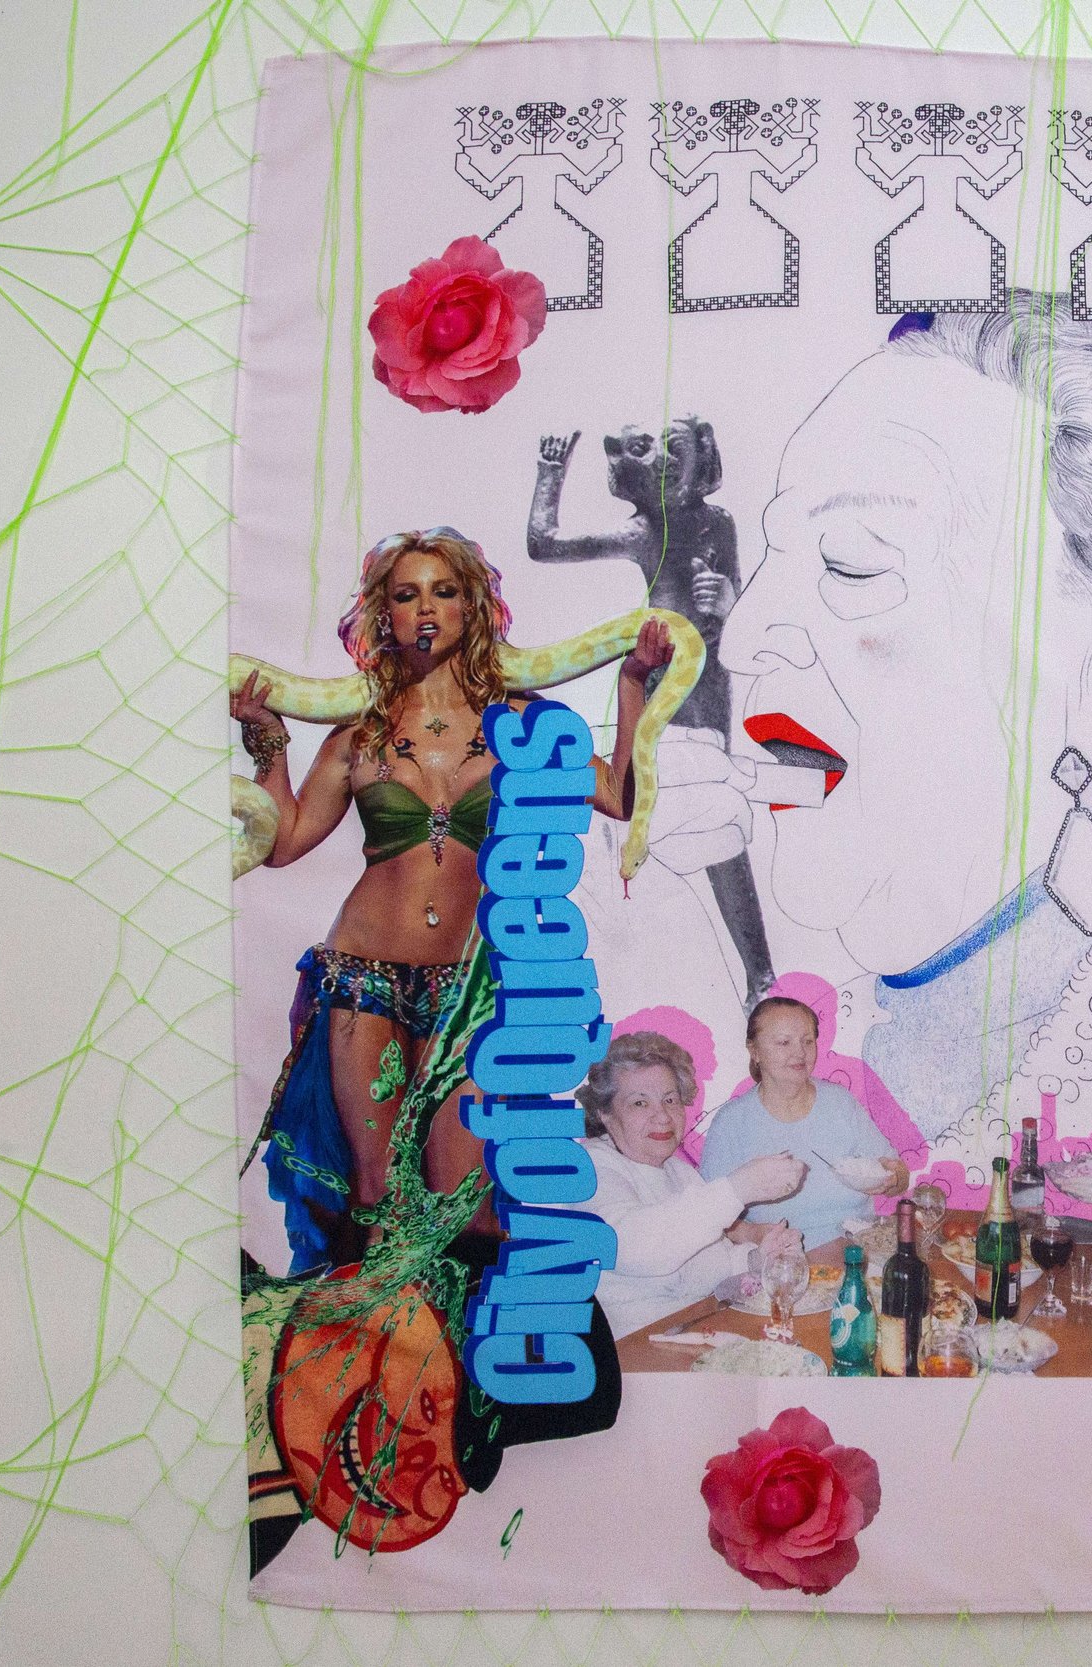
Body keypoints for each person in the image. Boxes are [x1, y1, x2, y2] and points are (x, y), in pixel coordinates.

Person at [644, 292, 1092, 1180]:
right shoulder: (873, 1011)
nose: (744, 638)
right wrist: (664, 914)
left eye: (852, 564)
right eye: (772, 564)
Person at [234, 527, 672, 1271]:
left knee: (465, 1195)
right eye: (407, 595)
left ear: (472, 606)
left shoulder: (522, 721)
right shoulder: (359, 732)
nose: (427, 608)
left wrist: (632, 686)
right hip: (363, 980)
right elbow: (284, 841)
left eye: (444, 591)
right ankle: (385, 1343)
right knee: (376, 1190)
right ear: (386, 615)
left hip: (472, 987)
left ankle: (461, 1345)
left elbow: (616, 796)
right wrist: (270, 744)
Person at [576, 1031, 808, 1333]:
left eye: (670, 1099)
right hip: (634, 1348)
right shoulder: (589, 1167)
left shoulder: (679, 1171)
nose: (663, 1116)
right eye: (640, 1103)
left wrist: (759, 1257)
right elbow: (629, 1246)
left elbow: (710, 1262)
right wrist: (737, 1189)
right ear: (604, 1113)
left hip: (698, 1330)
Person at [698, 997, 910, 1250]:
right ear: (754, 1051)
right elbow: (708, 1214)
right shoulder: (731, 1122)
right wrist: (753, 1233)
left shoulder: (840, 1102)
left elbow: (899, 1176)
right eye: (784, 1042)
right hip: (784, 1261)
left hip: (859, 1252)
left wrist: (893, 1178)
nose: (799, 1052)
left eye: (807, 1041)